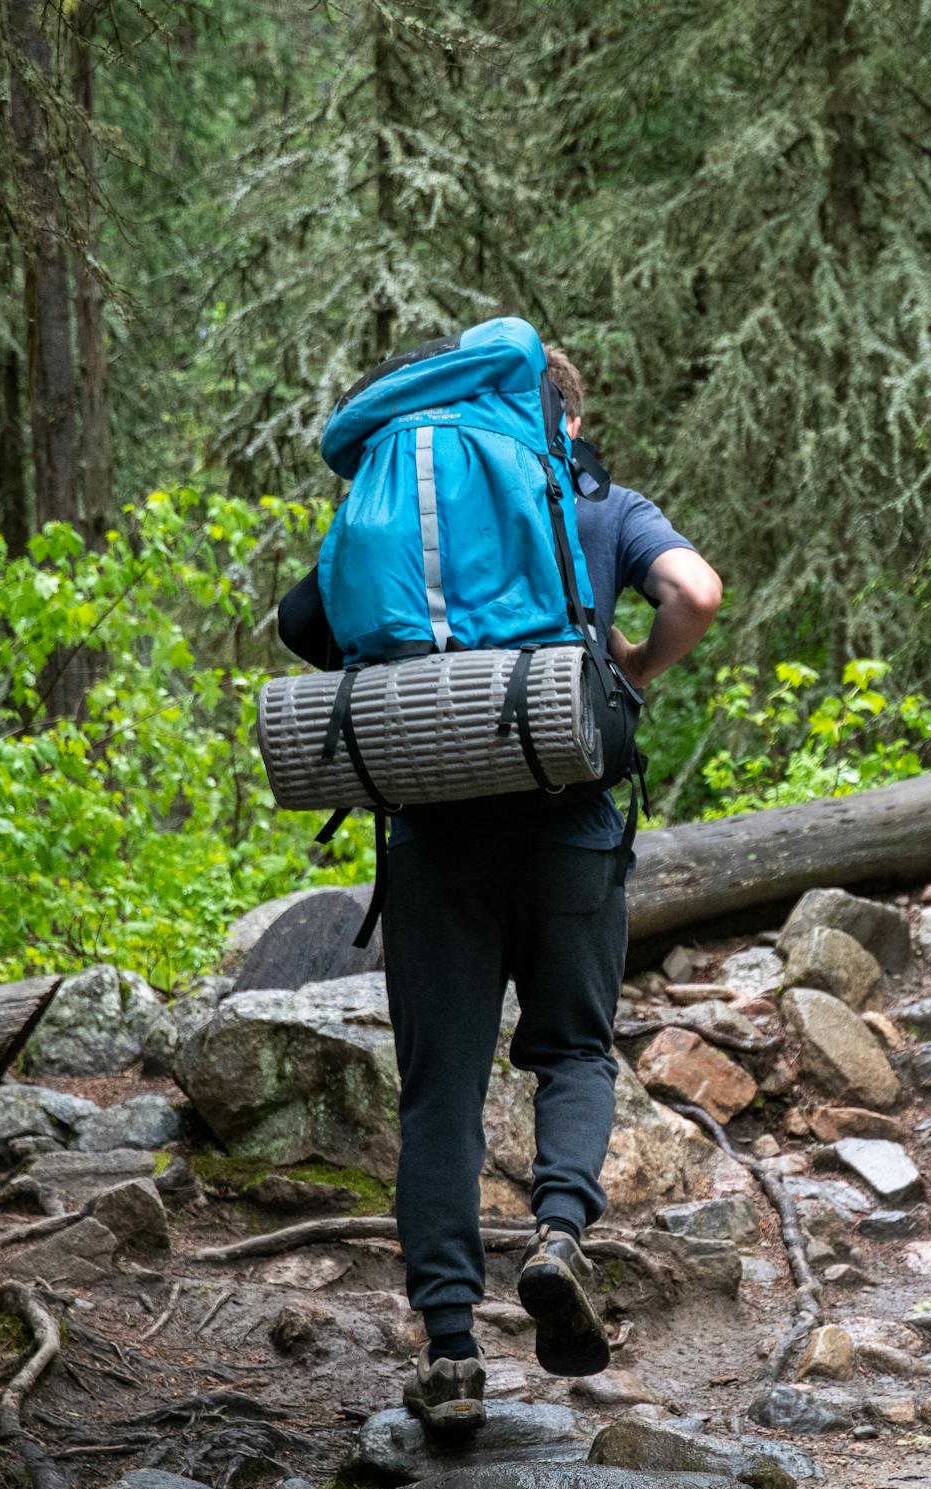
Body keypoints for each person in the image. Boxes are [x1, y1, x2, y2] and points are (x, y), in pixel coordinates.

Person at [387, 345, 722, 1433]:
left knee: (440, 1090)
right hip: (571, 823)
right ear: (565, 424)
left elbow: (306, 625)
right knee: (573, 1049)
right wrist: (630, 670)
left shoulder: (409, 513)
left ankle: (446, 1354)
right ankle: (558, 1235)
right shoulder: (603, 507)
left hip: (437, 836)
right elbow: (696, 592)